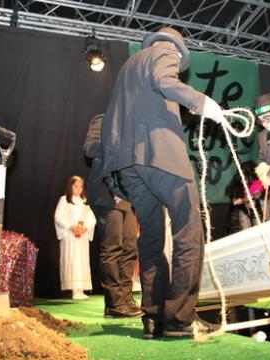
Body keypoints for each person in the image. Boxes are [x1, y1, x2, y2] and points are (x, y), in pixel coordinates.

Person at [101, 27, 225, 338]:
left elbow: (110, 120)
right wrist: (202, 103)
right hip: (160, 155)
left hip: (127, 165)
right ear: (176, 49)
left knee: (151, 240)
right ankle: (180, 317)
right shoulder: (164, 52)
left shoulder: (127, 68)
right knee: (188, 230)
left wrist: (114, 176)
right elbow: (165, 81)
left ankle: (153, 316)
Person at [83, 114, 142, 318]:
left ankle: (125, 299)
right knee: (113, 247)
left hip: (125, 196)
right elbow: (90, 149)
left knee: (130, 248)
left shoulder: (132, 126)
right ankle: (114, 302)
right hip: (104, 194)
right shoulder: (102, 120)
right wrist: (117, 145)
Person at [54, 176, 96, 300]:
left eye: (80, 186)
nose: (78, 189)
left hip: (81, 236)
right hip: (69, 235)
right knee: (71, 260)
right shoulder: (64, 200)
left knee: (82, 260)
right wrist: (70, 226)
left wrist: (86, 228)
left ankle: (81, 289)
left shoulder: (85, 201)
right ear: (70, 187)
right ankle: (74, 290)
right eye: (76, 186)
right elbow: (58, 217)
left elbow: (92, 218)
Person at [226, 161, 264, 234]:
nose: (244, 179)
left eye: (246, 175)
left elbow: (258, 195)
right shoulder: (237, 186)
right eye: (241, 175)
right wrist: (246, 198)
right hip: (241, 216)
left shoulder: (257, 184)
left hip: (256, 213)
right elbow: (235, 202)